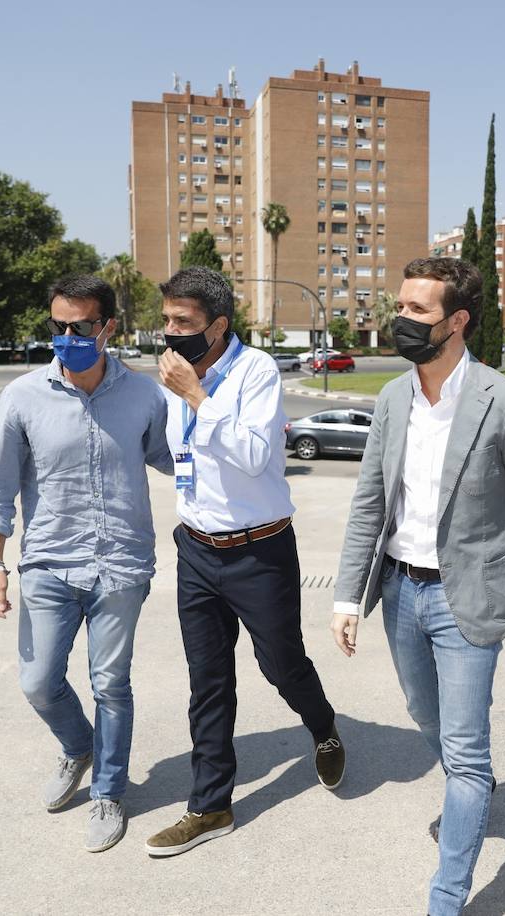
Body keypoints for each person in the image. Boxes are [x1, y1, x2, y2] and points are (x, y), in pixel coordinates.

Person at [330, 256, 505, 916]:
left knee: (464, 755)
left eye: (416, 311)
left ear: (457, 321)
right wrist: (348, 596)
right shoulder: (391, 398)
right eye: (400, 307)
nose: (400, 320)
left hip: (468, 602)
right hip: (400, 596)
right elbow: (370, 504)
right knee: (425, 718)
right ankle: (475, 787)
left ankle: (446, 899)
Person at [143, 266, 344, 857]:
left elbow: (256, 456)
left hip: (259, 550)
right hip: (197, 549)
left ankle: (323, 725)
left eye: (183, 322)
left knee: (281, 663)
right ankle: (210, 807)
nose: (169, 333)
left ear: (218, 325)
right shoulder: (171, 381)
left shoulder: (253, 372)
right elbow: (175, 453)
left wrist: (197, 398)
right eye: (167, 320)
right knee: (208, 680)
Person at [0, 274, 172, 853]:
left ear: (107, 327)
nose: (67, 337)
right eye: (58, 326)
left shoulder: (144, 395)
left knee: (111, 683)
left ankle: (109, 791)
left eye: (80, 326)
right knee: (38, 682)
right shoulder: (22, 396)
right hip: (50, 563)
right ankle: (77, 745)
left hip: (121, 565)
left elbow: (172, 459)